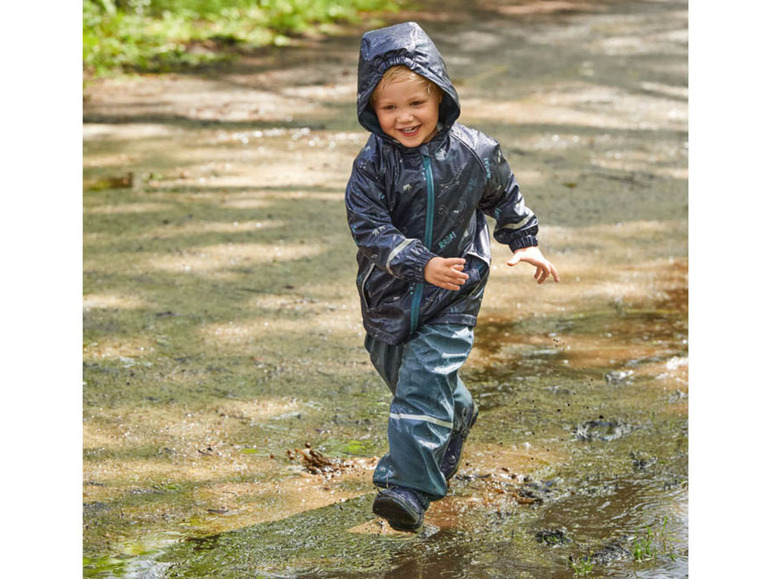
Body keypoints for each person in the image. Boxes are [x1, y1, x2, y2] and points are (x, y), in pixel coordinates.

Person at [345, 21, 559, 533]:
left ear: (440, 96)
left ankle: (408, 486)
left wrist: (524, 239)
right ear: (371, 112)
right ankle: (458, 413)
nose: (405, 117)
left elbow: (504, 196)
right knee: (409, 380)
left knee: (422, 386)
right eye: (389, 107)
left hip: (455, 294)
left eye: (416, 102)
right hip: (389, 296)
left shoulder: (475, 151)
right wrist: (419, 263)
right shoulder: (371, 166)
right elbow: (368, 229)